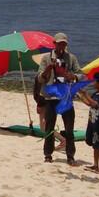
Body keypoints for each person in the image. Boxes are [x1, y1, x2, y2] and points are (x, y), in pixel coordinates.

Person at [36, 33, 80, 165]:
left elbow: (81, 74)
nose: (62, 46)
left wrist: (73, 76)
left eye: (64, 44)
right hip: (51, 98)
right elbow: (39, 78)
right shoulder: (46, 58)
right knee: (49, 127)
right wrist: (48, 70)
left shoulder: (71, 58)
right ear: (54, 44)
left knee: (69, 129)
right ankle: (48, 154)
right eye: (60, 43)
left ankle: (70, 156)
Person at [80, 71, 99, 173]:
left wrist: (86, 94)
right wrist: (81, 96)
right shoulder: (95, 93)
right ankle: (96, 165)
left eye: (95, 81)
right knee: (95, 144)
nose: (93, 83)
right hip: (92, 121)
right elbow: (89, 104)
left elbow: (96, 105)